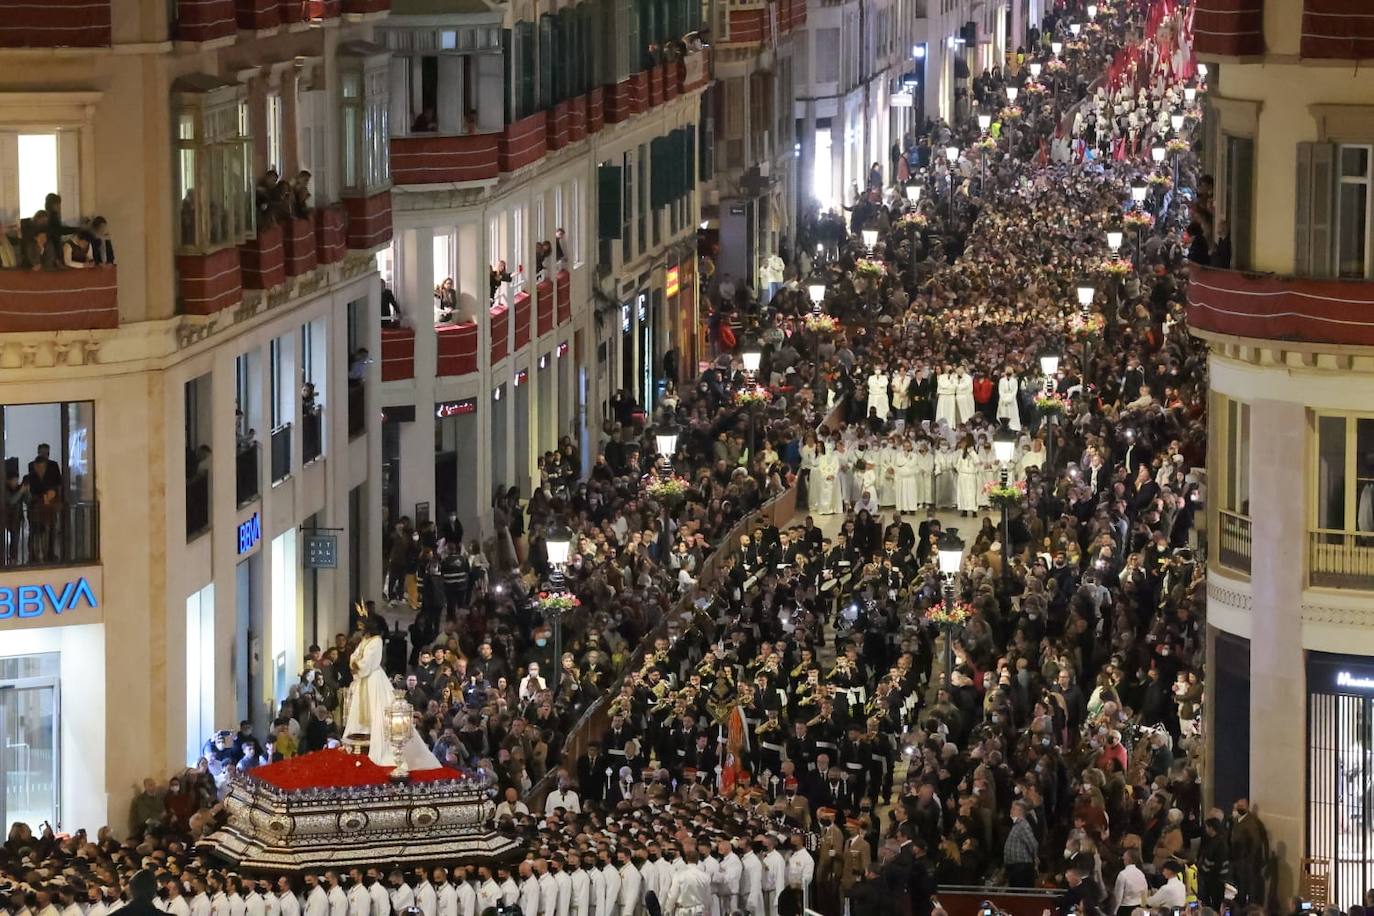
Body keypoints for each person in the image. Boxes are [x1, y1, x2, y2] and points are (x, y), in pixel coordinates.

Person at [342, 612, 441, 770]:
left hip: (373, 680)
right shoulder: (364, 640)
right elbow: (354, 657)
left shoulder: (376, 641)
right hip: (363, 681)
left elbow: (367, 664)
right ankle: (362, 735)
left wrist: (356, 664)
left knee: (378, 711)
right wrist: (355, 662)